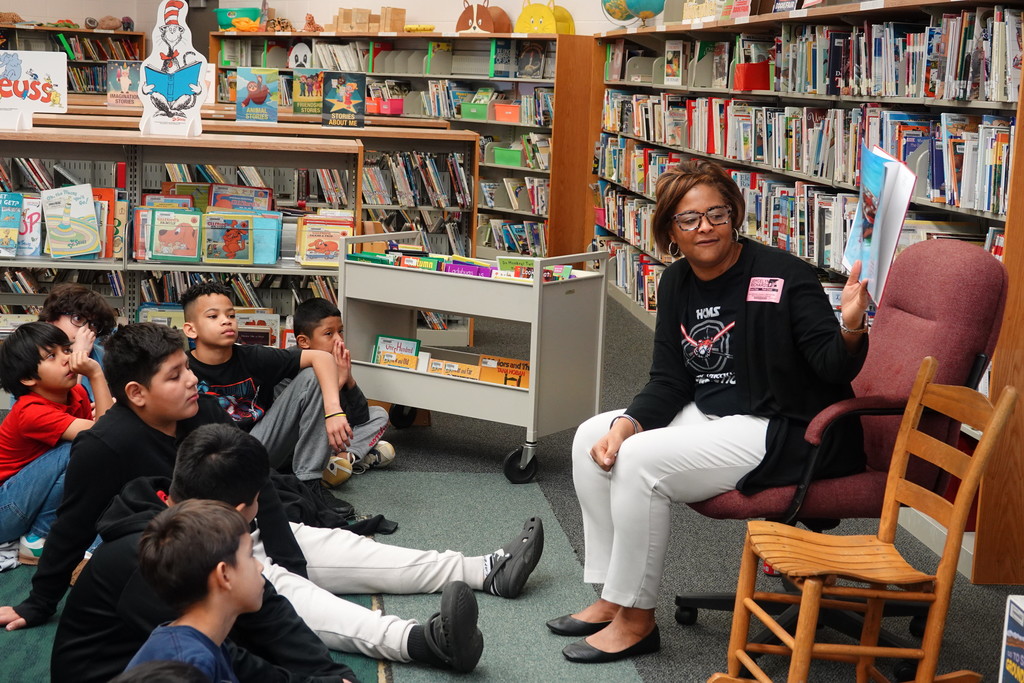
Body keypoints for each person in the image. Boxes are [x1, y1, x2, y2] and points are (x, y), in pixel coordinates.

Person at [548, 159, 871, 663]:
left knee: (639, 461)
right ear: (670, 231)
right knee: (593, 435)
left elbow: (831, 367)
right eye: (689, 219)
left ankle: (637, 620)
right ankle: (613, 595)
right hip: (715, 413)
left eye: (716, 214)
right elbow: (670, 379)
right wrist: (628, 423)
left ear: (735, 214)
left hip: (786, 427)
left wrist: (850, 327)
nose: (705, 227)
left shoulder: (784, 274)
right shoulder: (677, 282)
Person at [50, 422, 540, 675]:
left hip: (223, 551)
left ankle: (483, 570)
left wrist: (325, 674)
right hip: (125, 676)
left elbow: (270, 608)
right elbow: (236, 648)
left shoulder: (207, 467)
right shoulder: (151, 564)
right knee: (275, 591)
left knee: (334, 549)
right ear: (244, 510)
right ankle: (422, 642)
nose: (189, 383)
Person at [0, 323, 279, 631]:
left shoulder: (204, 412)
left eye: (187, 367)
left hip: (241, 535)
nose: (193, 380)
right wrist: (39, 601)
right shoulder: (98, 443)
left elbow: (258, 481)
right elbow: (72, 526)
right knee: (79, 446)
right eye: (175, 375)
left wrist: (289, 560)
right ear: (136, 392)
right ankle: (37, 534)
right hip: (13, 500)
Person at [179, 283, 350, 508]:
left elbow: (322, 357)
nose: (226, 320)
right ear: (191, 330)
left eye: (231, 315)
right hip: (209, 460)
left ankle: (309, 482)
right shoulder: (181, 367)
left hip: (258, 447)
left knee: (311, 376)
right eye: (213, 316)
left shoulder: (254, 356)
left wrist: (334, 411)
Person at [0, 322, 112, 564]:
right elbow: (104, 436)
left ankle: (48, 533)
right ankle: (35, 540)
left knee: (90, 455)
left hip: (28, 501)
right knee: (80, 448)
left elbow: (104, 445)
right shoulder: (30, 411)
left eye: (67, 350)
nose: (67, 359)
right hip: (5, 509)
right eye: (52, 355)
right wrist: (95, 373)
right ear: (28, 378)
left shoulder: (76, 394)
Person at [121, 499, 265, 683]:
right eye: (250, 556)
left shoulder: (197, 645)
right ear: (224, 574)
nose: (260, 567)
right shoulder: (188, 666)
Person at [290, 297, 394, 485]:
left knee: (379, 414)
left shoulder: (335, 361)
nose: (339, 340)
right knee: (382, 449)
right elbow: (308, 417)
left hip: (335, 432)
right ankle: (355, 458)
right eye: (329, 334)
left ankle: (345, 459)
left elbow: (361, 417)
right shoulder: (292, 366)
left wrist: (348, 379)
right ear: (304, 342)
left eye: (341, 331)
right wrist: (336, 382)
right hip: (304, 437)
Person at [38, 283, 118, 401]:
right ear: (51, 319)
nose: (86, 329)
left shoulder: (104, 357)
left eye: (94, 324)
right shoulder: (33, 356)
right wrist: (80, 353)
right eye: (77, 318)